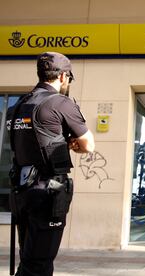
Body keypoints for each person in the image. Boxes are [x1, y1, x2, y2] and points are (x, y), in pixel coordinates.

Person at [7, 52, 95, 276]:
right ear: (63, 76)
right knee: (37, 265)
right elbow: (88, 144)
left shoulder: (18, 105)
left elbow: (34, 141)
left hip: (21, 192)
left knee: (31, 258)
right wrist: (73, 144)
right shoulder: (60, 103)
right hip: (47, 193)